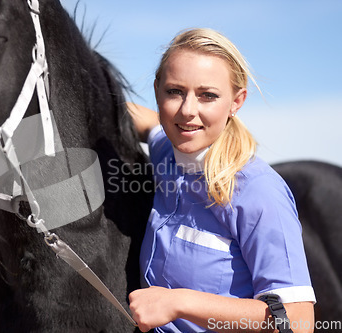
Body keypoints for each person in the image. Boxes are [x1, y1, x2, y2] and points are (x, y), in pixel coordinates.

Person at [126, 28, 315, 332]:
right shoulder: (167, 149)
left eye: (208, 96)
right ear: (157, 89)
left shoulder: (258, 192)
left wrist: (180, 302)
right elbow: (145, 120)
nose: (188, 111)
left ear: (236, 102)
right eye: (174, 91)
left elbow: (299, 321)